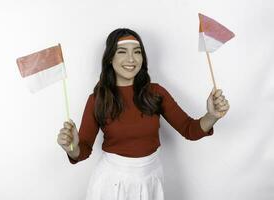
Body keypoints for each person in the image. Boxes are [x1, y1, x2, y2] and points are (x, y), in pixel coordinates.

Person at [57, 28, 230, 200]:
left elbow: (189, 130)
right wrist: (71, 147)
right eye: (122, 52)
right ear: (110, 58)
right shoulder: (97, 99)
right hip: (111, 183)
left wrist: (212, 115)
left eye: (137, 52)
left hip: (151, 181)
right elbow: (83, 150)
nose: (131, 59)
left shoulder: (156, 93)